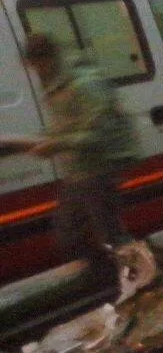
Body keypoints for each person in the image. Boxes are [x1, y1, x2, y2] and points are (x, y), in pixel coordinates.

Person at [23, 34, 138, 286]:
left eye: (37, 65)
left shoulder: (84, 84)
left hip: (99, 166)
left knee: (110, 235)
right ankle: (110, 279)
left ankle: (142, 277)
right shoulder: (56, 84)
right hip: (78, 170)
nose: (35, 72)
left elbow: (98, 133)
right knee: (68, 233)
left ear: (47, 59)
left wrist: (56, 144)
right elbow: (65, 125)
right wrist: (41, 140)